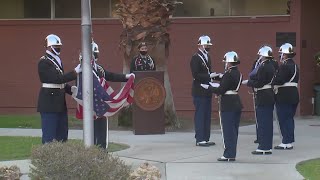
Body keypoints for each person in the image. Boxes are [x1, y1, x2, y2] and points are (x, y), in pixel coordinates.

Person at [83, 41, 134, 149]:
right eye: (95, 53)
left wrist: (126, 77)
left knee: (101, 132)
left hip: (100, 104)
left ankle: (101, 153)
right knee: (92, 133)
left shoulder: (98, 68)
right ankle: (93, 153)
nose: (96, 55)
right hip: (91, 105)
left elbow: (110, 76)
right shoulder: (84, 68)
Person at [37, 34, 81, 144]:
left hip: (60, 103)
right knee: (49, 136)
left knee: (62, 135)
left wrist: (71, 90)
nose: (58, 48)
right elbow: (56, 79)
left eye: (59, 46)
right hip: (49, 103)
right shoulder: (44, 62)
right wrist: (75, 72)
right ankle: (47, 160)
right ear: (48, 47)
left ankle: (60, 159)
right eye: (55, 46)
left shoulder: (57, 60)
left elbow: (61, 82)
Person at [201, 51, 243, 161]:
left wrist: (209, 88)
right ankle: (231, 153)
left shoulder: (229, 74)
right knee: (233, 130)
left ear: (229, 63)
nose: (225, 64)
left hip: (228, 103)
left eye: (226, 62)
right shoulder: (238, 73)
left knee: (228, 131)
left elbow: (221, 89)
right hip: (236, 102)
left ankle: (228, 154)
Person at [242, 45, 275, 155]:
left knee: (263, 122)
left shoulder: (264, 66)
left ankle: (264, 147)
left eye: (260, 55)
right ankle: (267, 146)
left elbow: (260, 82)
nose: (259, 57)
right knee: (267, 122)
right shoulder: (271, 65)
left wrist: (248, 82)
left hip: (263, 94)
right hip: (268, 95)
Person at [190, 35, 219, 147]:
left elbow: (208, 73)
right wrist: (209, 75)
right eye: (206, 45)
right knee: (200, 114)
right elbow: (196, 75)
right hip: (199, 90)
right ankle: (200, 139)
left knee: (207, 115)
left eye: (208, 45)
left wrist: (214, 76)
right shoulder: (195, 57)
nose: (208, 47)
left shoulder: (208, 57)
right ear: (200, 45)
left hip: (207, 89)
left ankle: (206, 138)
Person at [272, 43, 299, 150]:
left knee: (283, 118)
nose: (280, 56)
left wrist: (273, 81)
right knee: (289, 119)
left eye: (281, 54)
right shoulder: (295, 65)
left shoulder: (284, 66)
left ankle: (285, 141)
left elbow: (280, 80)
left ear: (285, 54)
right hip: (293, 94)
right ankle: (289, 141)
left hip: (284, 95)